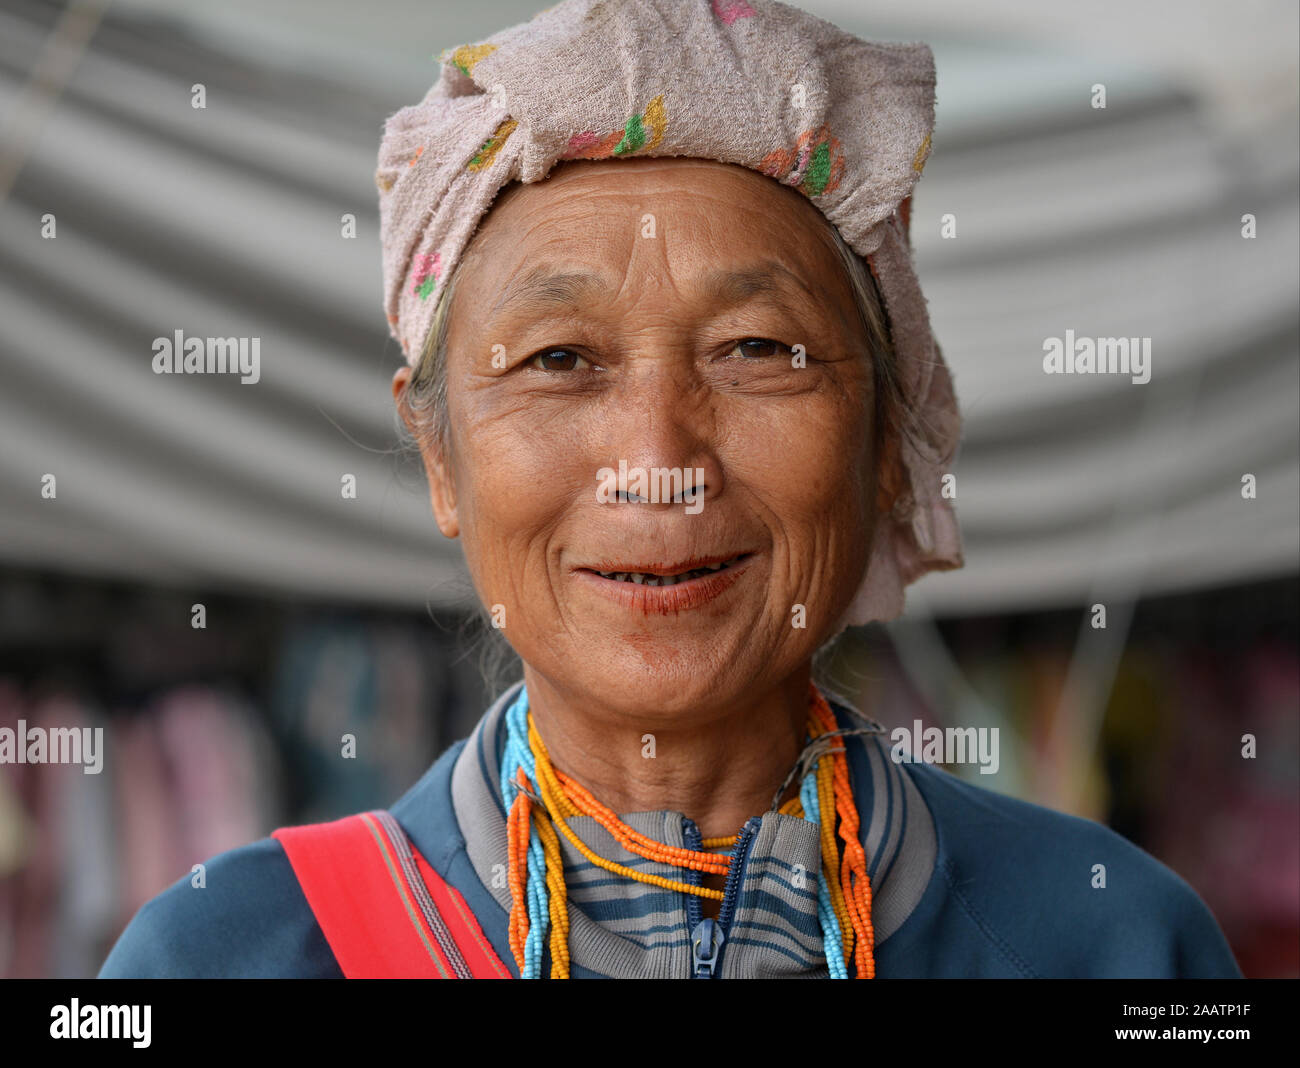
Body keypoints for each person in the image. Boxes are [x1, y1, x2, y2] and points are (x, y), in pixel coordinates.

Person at [100, 0, 1241, 979]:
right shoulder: (226, 956)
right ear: (440, 457)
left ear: (890, 437)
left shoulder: (1114, 944)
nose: (657, 456)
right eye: (558, 359)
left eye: (756, 349)